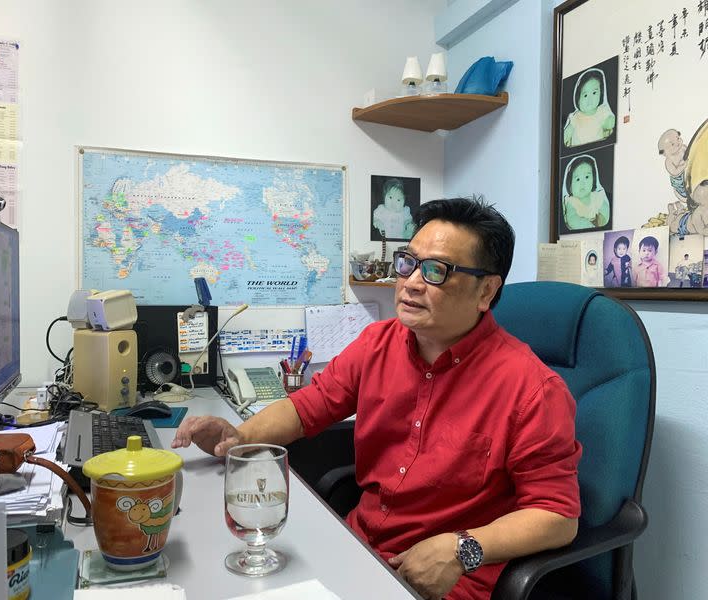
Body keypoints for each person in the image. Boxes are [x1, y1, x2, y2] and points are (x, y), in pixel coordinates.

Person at [174, 197, 582, 600]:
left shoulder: (533, 389)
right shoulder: (377, 343)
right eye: (408, 262)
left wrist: (462, 548)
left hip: (442, 578)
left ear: (486, 291)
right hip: (358, 547)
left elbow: (558, 517)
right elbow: (307, 407)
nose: (411, 282)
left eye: (436, 270)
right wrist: (239, 436)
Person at [562, 68, 616, 148]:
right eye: (585, 95)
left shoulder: (602, 111)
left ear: (601, 93)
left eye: (594, 93)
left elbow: (609, 124)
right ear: (578, 99)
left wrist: (609, 122)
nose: (590, 99)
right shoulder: (576, 117)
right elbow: (567, 133)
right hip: (578, 149)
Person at [561, 155, 610, 231]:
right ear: (569, 184)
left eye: (587, 177)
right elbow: (572, 220)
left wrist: (601, 221)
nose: (582, 183)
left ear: (594, 179)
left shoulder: (597, 196)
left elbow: (605, 212)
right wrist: (588, 225)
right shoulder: (572, 201)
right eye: (577, 179)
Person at [658, 128, 687, 199]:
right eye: (672, 144)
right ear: (664, 153)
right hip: (681, 181)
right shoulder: (669, 161)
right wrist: (683, 165)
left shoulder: (683, 148)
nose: (678, 143)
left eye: (678, 138)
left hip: (688, 169)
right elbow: (674, 172)